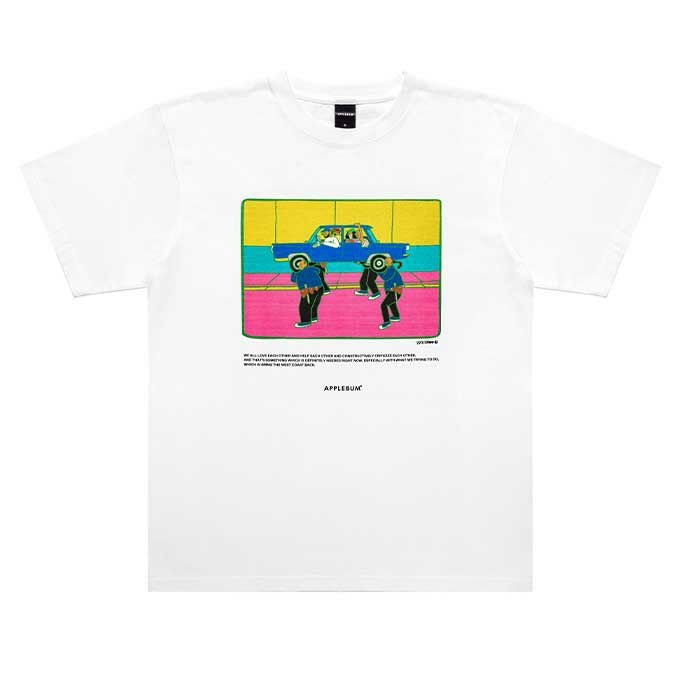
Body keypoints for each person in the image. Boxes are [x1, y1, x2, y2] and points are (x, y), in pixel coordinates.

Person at [290, 260, 323, 328]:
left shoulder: (299, 274)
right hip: (320, 288)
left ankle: (305, 322)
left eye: (301, 264)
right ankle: (313, 317)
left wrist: (295, 271)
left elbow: (293, 279)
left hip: (311, 290)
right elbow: (318, 270)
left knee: (304, 306)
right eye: (299, 265)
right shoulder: (311, 268)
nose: (300, 265)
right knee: (313, 304)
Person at [378, 256, 404, 330]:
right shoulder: (389, 269)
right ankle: (396, 316)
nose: (385, 263)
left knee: (383, 305)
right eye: (385, 262)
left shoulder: (391, 270)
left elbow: (385, 277)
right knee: (391, 303)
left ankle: (386, 322)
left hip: (394, 291)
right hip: (391, 291)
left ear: (390, 263)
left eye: (386, 262)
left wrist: (377, 270)